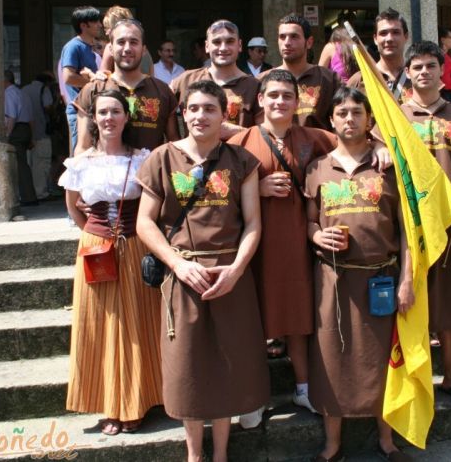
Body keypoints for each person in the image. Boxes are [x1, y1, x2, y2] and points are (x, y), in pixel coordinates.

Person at [135, 80, 269, 462]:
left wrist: (237, 270)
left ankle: (222, 453)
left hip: (229, 273)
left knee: (228, 363)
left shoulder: (240, 160)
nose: (200, 116)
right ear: (182, 112)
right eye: (193, 108)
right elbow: (145, 223)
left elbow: (253, 223)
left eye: (209, 108)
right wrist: (176, 264)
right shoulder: (162, 158)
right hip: (183, 274)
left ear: (223, 113)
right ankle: (195, 454)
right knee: (188, 367)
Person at [305, 87, 412, 462]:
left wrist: (408, 280)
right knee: (331, 361)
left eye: (356, 112)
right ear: (331, 121)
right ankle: (333, 444)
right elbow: (308, 222)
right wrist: (318, 234)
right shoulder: (317, 168)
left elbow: (406, 230)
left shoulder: (388, 166)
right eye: (341, 113)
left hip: (380, 279)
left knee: (384, 360)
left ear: (369, 120)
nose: (349, 119)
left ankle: (388, 441)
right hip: (333, 281)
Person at [227, 70, 337, 423]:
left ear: (297, 101)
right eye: (272, 95)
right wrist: (254, 188)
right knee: (252, 319)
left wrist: (380, 151)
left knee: (298, 318)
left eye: (287, 96)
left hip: (298, 244)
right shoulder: (240, 141)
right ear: (260, 100)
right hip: (254, 244)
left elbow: (354, 143)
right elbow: (218, 191)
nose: (279, 102)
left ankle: (303, 387)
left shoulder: (313, 137)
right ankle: (254, 396)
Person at [59, 89, 164, 436]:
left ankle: (138, 400)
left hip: (135, 246)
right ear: (93, 118)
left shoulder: (143, 158)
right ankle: (109, 405)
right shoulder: (80, 162)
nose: (108, 118)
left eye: (115, 111)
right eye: (102, 112)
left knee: (137, 324)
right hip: (96, 249)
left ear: (126, 117)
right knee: (101, 324)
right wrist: (96, 235)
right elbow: (74, 206)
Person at [401, 41, 451, 407]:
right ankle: (414, 381)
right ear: (407, 72)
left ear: (442, 71)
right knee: (412, 304)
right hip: (411, 227)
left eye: (431, 65)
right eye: (416, 66)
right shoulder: (396, 117)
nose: (424, 72)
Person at [74, 19, 179, 155]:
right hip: (106, 173)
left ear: (144, 49)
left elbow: (174, 142)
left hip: (150, 173)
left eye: (134, 42)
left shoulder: (163, 91)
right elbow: (83, 147)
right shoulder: (93, 90)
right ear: (110, 49)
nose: (127, 48)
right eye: (121, 42)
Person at [172, 20, 261, 131]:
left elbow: (266, 134)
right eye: (217, 42)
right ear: (207, 46)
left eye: (230, 41)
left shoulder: (254, 86)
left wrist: (236, 132)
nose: (223, 48)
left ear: (239, 45)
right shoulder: (186, 80)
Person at [259, 14, 340, 130]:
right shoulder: (262, 80)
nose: (287, 42)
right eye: (282, 37)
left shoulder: (329, 79)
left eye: (294, 37)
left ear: (309, 42)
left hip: (318, 147)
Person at [60, 6, 102, 154]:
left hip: (91, 110)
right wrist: (94, 82)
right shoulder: (73, 46)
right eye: (95, 21)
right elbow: (68, 77)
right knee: (80, 157)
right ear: (83, 25)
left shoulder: (90, 48)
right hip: (79, 111)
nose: (100, 25)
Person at [347, 8, 411, 105]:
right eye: (383, 33)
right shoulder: (359, 80)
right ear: (375, 39)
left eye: (396, 32)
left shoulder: (417, 77)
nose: (389, 38)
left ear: (406, 37)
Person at [4, 70, 38, 206]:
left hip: (17, 129)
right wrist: (32, 136)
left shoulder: (8, 93)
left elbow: (11, 116)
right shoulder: (22, 93)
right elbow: (31, 118)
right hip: (25, 129)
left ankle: (27, 197)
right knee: (23, 163)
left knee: (20, 164)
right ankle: (28, 195)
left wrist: (7, 135)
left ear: (4, 80)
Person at [23, 71, 56, 200]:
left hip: (28, 132)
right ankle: (41, 193)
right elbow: (48, 108)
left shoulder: (24, 89)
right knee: (42, 164)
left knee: (30, 164)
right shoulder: (45, 89)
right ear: (47, 82)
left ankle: (29, 192)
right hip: (41, 131)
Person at [98, 6, 154, 78]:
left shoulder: (110, 47)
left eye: (107, 28)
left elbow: (102, 77)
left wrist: (90, 75)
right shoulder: (144, 50)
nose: (106, 33)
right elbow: (152, 77)